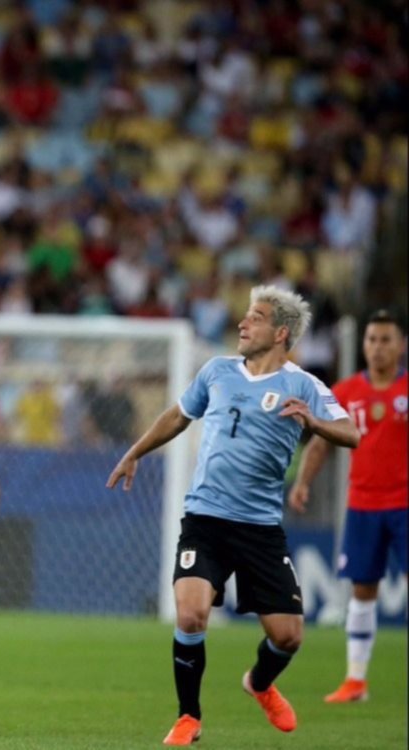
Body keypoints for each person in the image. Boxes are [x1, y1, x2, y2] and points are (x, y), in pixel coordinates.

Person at [106, 285, 360, 746]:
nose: (243, 324)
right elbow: (179, 415)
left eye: (255, 318)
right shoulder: (217, 371)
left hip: (261, 528)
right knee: (190, 615)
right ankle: (188, 717)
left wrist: (314, 421)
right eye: (245, 316)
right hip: (205, 518)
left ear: (280, 332)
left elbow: (351, 433)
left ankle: (259, 684)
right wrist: (135, 452)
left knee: (288, 637)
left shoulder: (304, 385)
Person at [289, 310, 407, 704]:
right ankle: (356, 680)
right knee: (362, 590)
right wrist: (303, 482)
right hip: (363, 505)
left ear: (401, 345)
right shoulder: (345, 391)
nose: (377, 347)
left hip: (405, 505)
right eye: (372, 339)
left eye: (386, 339)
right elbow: (321, 442)